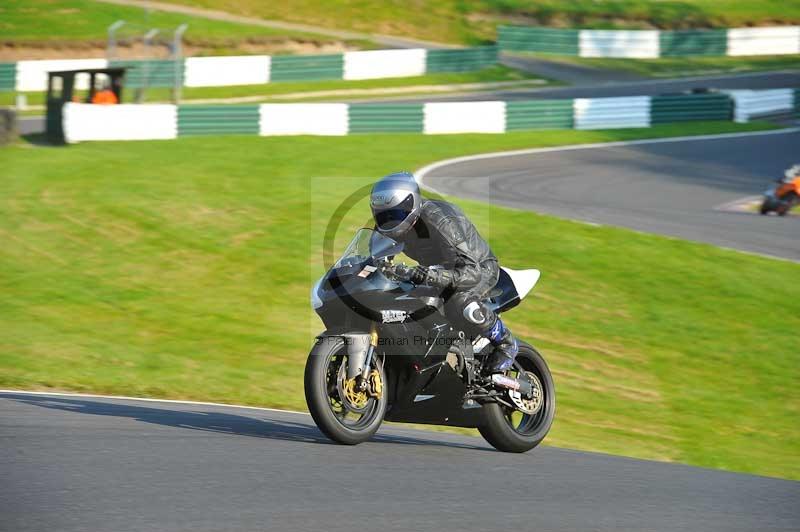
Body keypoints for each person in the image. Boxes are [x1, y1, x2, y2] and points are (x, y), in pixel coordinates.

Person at [369, 171, 518, 374]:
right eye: (383, 216)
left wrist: (431, 276)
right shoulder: (385, 227)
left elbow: (470, 271)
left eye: (395, 215)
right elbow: (373, 258)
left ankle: (505, 342)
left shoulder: (441, 222)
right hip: (435, 270)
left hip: (477, 268)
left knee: (458, 299)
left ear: (410, 205)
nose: (389, 220)